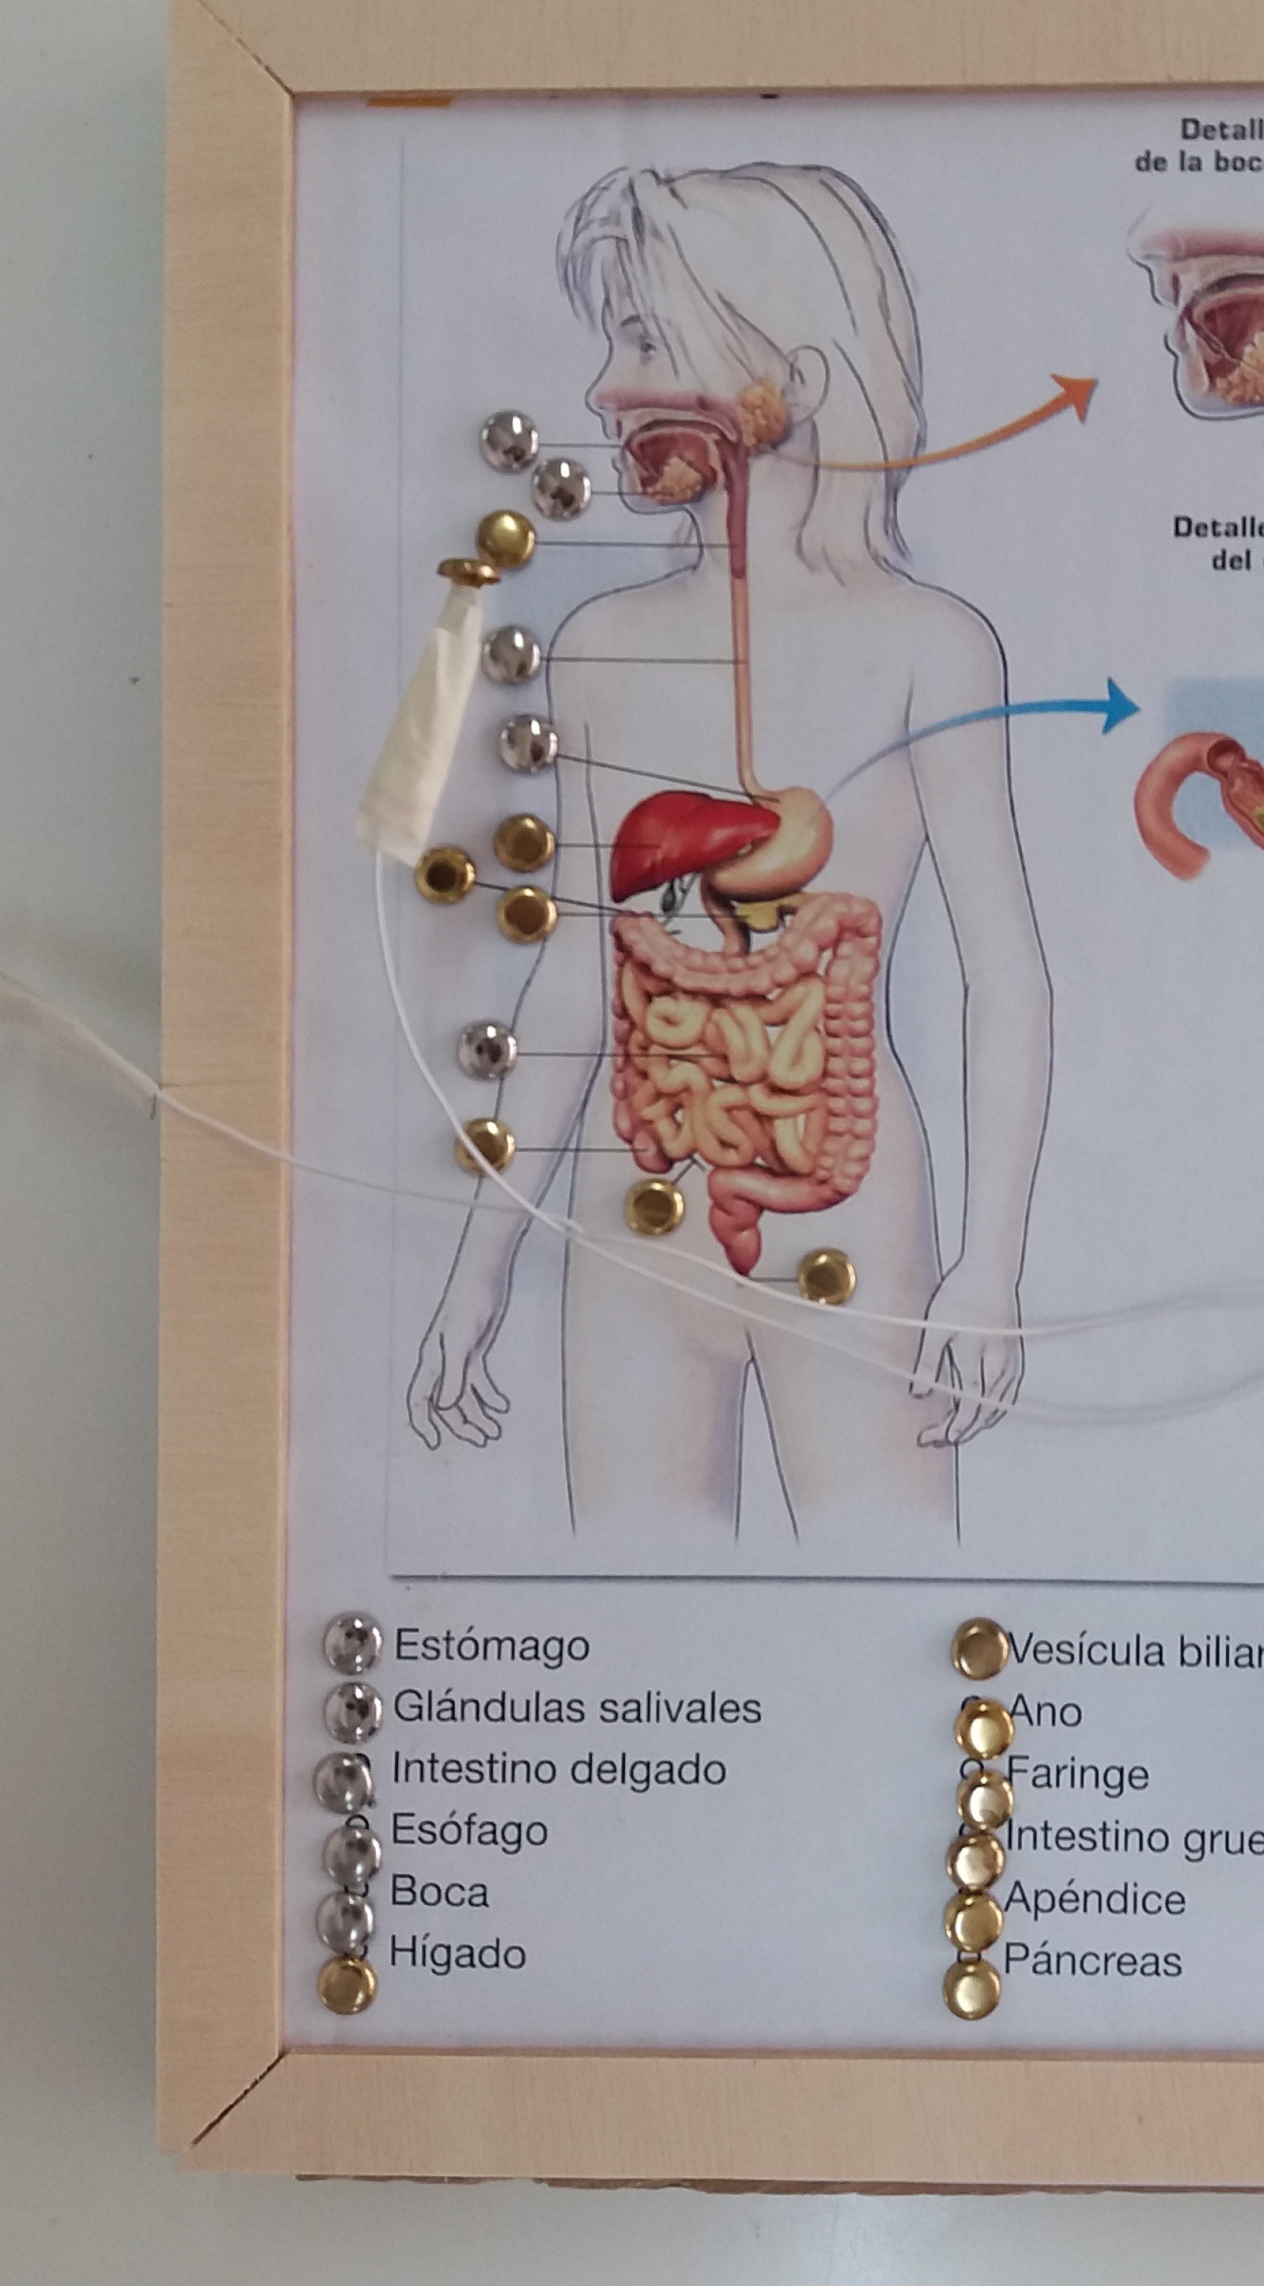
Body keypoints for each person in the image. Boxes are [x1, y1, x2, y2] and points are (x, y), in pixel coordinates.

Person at [406, 162, 1053, 1541]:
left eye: (647, 340)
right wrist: (479, 1267)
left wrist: (993, 1267)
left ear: (793, 376)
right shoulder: (599, 648)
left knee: (888, 1593)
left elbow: (1004, 977)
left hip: (851, 1218)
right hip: (626, 1230)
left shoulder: (933, 646)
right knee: (636, 1607)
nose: (604, 391)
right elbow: (577, 981)